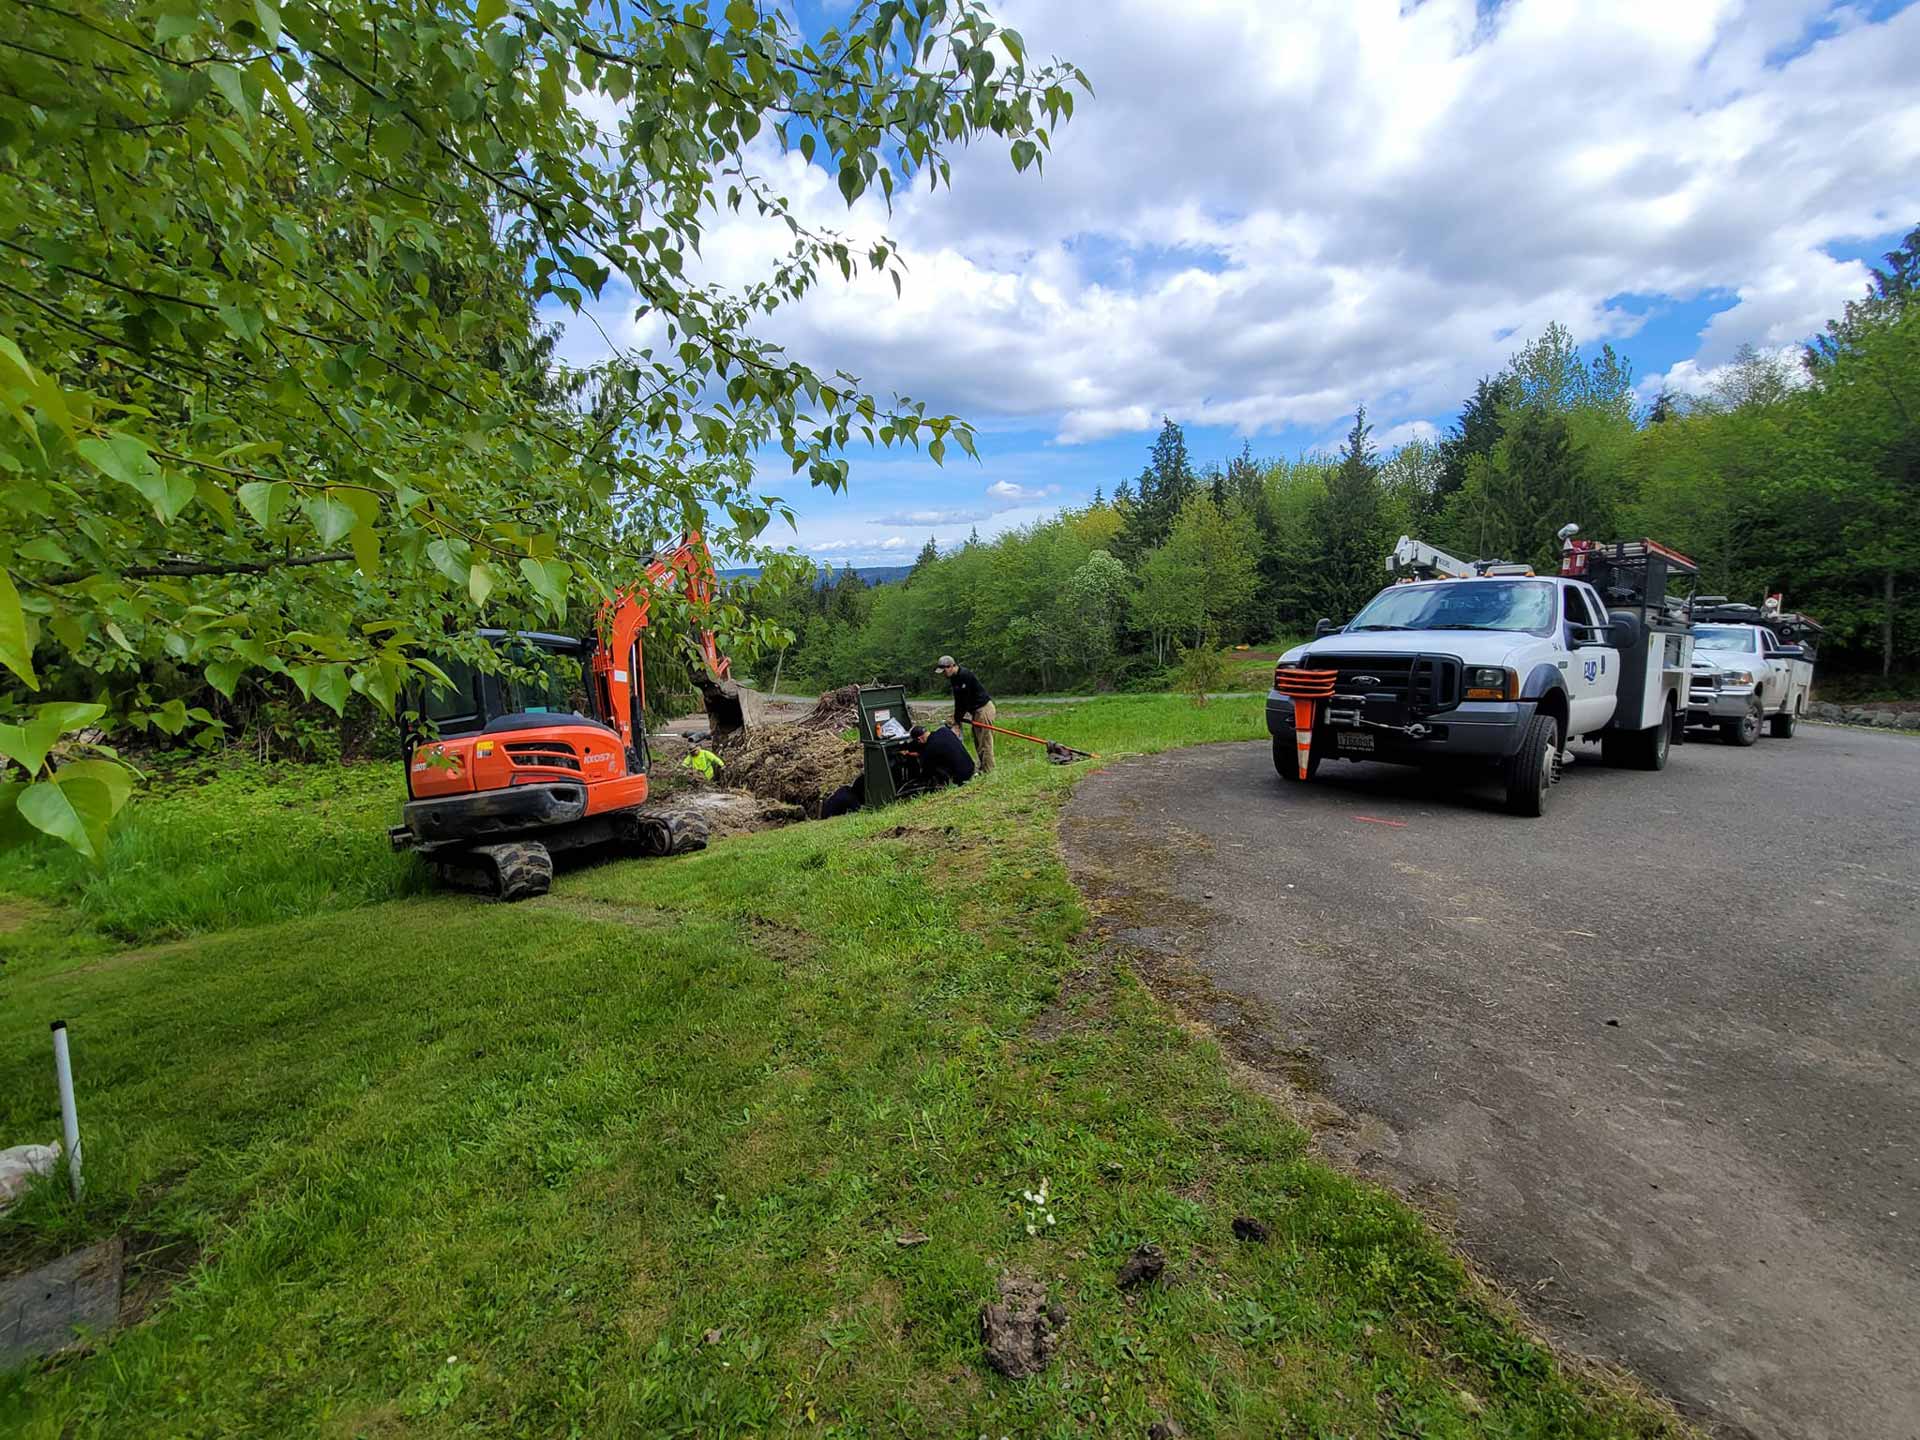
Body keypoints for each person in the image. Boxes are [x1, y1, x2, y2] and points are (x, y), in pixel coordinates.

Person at [934, 654, 995, 772]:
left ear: (951, 666)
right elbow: (958, 701)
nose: (943, 674)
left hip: (983, 709)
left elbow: (964, 702)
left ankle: (988, 770)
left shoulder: (964, 675)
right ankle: (982, 767)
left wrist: (957, 720)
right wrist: (956, 718)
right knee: (977, 740)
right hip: (975, 711)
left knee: (984, 741)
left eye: (944, 670)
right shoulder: (954, 678)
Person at [905, 723, 974, 788]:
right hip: (970, 767)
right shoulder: (944, 730)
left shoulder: (930, 749)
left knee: (934, 767)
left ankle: (944, 784)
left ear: (919, 739)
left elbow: (927, 772)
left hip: (962, 777)